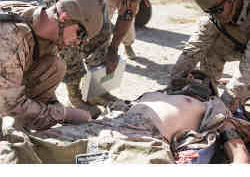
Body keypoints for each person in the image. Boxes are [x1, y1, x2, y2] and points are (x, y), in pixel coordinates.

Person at [36, 0, 174, 116]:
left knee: (101, 30)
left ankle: (97, 91)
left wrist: (114, 49)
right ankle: (75, 94)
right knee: (69, 32)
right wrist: (73, 27)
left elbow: (129, 10)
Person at [1, 70, 249, 163]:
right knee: (32, 145)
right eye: (192, 76)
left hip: (142, 139)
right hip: (110, 125)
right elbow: (115, 105)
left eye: (201, 79)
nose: (194, 79)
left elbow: (237, 151)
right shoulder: (154, 93)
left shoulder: (212, 106)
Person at [0, 0, 105, 132]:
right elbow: (9, 104)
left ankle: (26, 124)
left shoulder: (39, 25)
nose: (79, 42)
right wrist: (64, 114)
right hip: (4, 98)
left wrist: (55, 106)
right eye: (80, 34)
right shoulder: (10, 38)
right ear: (64, 17)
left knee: (55, 66)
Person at [170, 0, 250, 113]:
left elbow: (246, 75)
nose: (214, 16)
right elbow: (193, 49)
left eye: (217, 10)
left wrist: (221, 110)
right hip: (243, 46)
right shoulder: (216, 12)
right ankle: (208, 96)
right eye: (209, 12)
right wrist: (173, 85)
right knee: (212, 48)